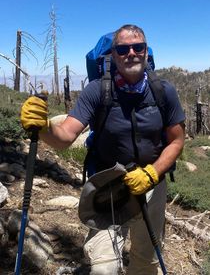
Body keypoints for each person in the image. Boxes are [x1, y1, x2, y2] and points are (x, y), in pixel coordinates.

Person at [20, 24, 185, 275]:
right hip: (107, 186)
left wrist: (152, 174)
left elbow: (176, 141)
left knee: (146, 260)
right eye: (122, 48)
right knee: (104, 268)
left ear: (146, 52)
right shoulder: (97, 91)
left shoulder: (163, 91)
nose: (131, 52)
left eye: (137, 47)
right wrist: (43, 127)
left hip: (152, 183)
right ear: (113, 55)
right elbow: (65, 135)